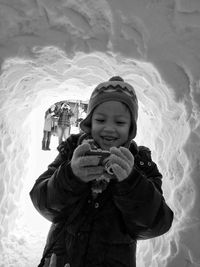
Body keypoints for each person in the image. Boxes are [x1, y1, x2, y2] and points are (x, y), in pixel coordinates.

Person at [30, 76, 174, 267]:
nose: (109, 128)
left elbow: (156, 224)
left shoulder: (140, 164)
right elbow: (43, 203)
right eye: (100, 119)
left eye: (120, 122)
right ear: (90, 122)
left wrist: (131, 182)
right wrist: (71, 176)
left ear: (131, 128)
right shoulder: (72, 153)